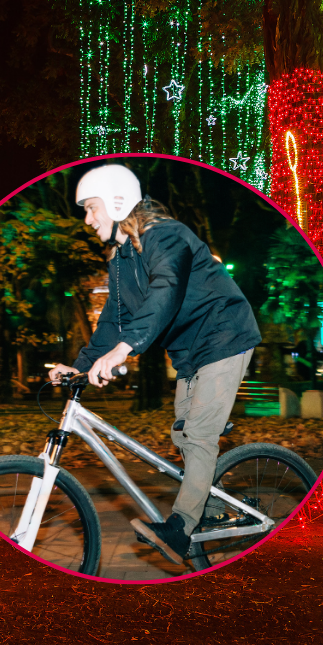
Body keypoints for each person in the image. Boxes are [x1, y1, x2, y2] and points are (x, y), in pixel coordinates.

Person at [45, 164, 261, 566]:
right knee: (182, 434)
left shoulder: (166, 236)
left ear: (117, 202)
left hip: (224, 335)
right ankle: (212, 510)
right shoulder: (121, 260)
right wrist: (79, 367)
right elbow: (113, 322)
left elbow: (167, 288)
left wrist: (125, 349)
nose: (88, 220)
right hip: (189, 353)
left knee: (199, 435)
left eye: (91, 208)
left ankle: (180, 529)